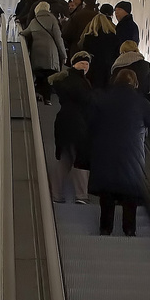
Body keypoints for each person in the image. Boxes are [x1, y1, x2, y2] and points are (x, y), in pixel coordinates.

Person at [88, 68, 150, 236]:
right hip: (131, 155)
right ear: (135, 83)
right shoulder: (139, 102)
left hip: (105, 153)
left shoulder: (102, 99)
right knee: (130, 194)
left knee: (107, 193)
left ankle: (105, 229)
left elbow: (90, 123)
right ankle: (129, 230)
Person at [48, 51, 96, 204]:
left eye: (87, 64)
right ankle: (81, 195)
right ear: (74, 64)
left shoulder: (63, 79)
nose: (84, 66)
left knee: (65, 159)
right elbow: (87, 101)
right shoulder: (80, 81)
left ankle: (56, 194)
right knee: (80, 159)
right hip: (78, 124)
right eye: (82, 63)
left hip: (62, 122)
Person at [24, 0, 66, 103]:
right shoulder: (52, 20)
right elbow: (58, 39)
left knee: (40, 75)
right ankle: (47, 98)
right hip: (50, 55)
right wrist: (63, 54)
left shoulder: (34, 21)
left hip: (37, 54)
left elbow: (25, 32)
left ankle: (38, 95)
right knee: (49, 77)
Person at [111, 41, 150, 110]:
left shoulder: (116, 69)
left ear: (122, 52)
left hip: (120, 108)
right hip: (142, 109)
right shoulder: (146, 68)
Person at [79, 9, 121, 87]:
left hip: (93, 69)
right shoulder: (113, 37)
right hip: (108, 69)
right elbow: (117, 54)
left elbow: (85, 54)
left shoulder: (89, 37)